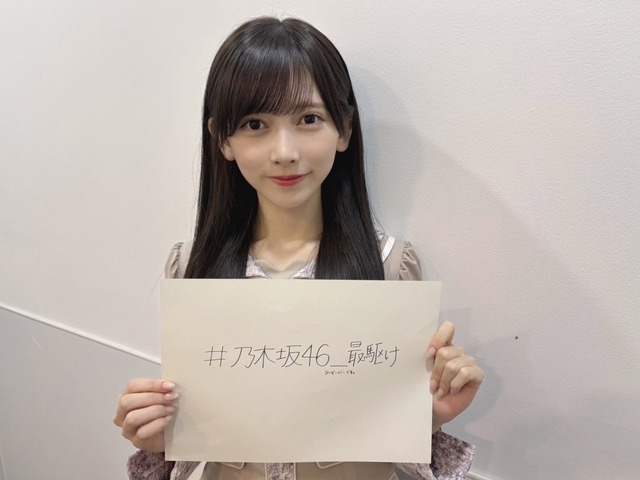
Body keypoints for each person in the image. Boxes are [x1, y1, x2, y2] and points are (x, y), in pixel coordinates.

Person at [113, 16, 485, 480]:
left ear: (344, 130)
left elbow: (384, 431)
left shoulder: (389, 266)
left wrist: (429, 416)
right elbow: (198, 431)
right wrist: (157, 435)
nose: (285, 151)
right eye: (255, 124)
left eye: (309, 119)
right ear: (222, 140)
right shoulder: (191, 267)